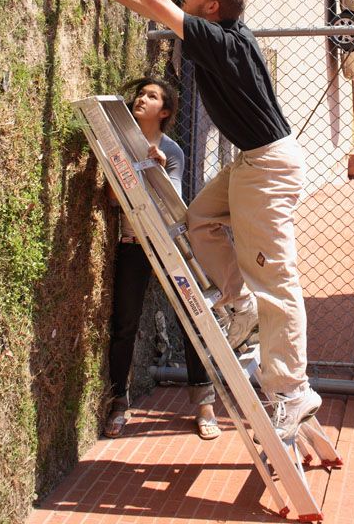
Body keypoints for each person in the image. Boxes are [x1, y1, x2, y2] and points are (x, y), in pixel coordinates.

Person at [78, 0, 322, 441]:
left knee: (276, 280)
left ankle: (291, 389)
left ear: (211, 5)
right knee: (200, 221)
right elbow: (161, 9)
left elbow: (159, 3)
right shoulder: (218, 32)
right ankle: (238, 303)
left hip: (270, 167)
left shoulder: (224, 41)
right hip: (253, 161)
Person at [105, 76, 220, 440]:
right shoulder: (119, 143)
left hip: (168, 247)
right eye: (141, 93)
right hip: (133, 243)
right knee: (124, 324)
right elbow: (113, 199)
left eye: (152, 96)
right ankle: (118, 402)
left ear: (165, 111)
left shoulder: (172, 151)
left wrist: (156, 168)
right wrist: (125, 167)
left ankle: (204, 405)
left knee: (192, 319)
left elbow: (170, 207)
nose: (142, 98)